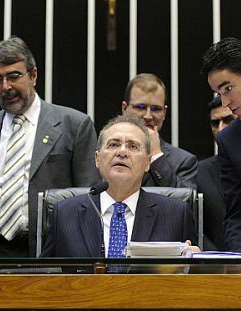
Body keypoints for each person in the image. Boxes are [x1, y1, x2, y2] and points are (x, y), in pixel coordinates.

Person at [0, 36, 100, 257]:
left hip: (51, 255)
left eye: (14, 76)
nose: (6, 87)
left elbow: (89, 201)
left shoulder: (74, 126)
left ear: (33, 75)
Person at [41, 115, 198, 257]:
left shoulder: (176, 214)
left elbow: (193, 280)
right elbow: (44, 277)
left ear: (147, 163)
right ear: (97, 158)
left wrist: (195, 263)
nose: (122, 152)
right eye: (114, 144)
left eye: (133, 146)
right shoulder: (65, 213)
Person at [121, 73, 198, 189]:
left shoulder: (184, 161)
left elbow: (184, 203)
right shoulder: (104, 153)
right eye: (140, 107)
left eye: (156, 109)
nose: (148, 116)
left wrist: (156, 156)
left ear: (164, 113)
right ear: (124, 108)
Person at [201, 37, 241, 251]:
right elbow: (236, 215)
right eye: (218, 94)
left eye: (227, 89)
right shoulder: (229, 140)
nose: (225, 103)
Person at [196, 96, 237, 250]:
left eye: (228, 120)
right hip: (218, 267)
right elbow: (195, 227)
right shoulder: (200, 172)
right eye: (215, 123)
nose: (220, 129)